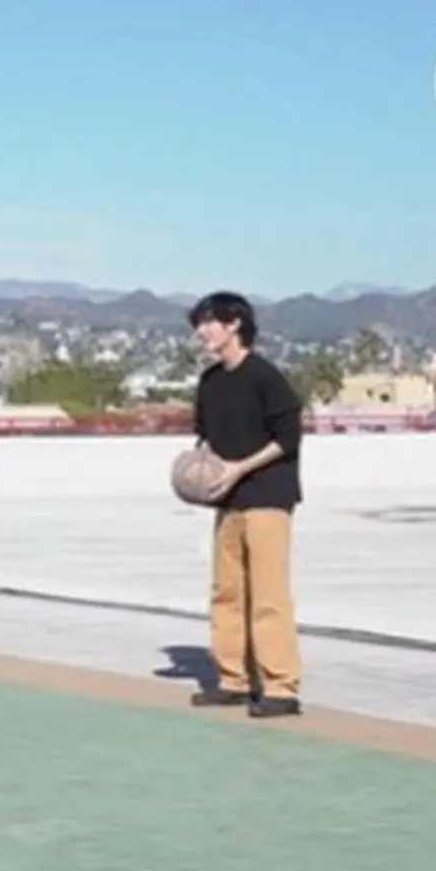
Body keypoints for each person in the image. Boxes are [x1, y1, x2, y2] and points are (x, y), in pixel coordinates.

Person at [188, 291, 304, 718]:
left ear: (234, 324)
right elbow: (205, 438)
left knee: (268, 594)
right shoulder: (210, 381)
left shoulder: (265, 377)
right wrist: (202, 471)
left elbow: (288, 439)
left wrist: (240, 468)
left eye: (208, 322)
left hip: (268, 498)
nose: (202, 332)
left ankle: (280, 687)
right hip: (228, 502)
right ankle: (232, 679)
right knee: (227, 592)